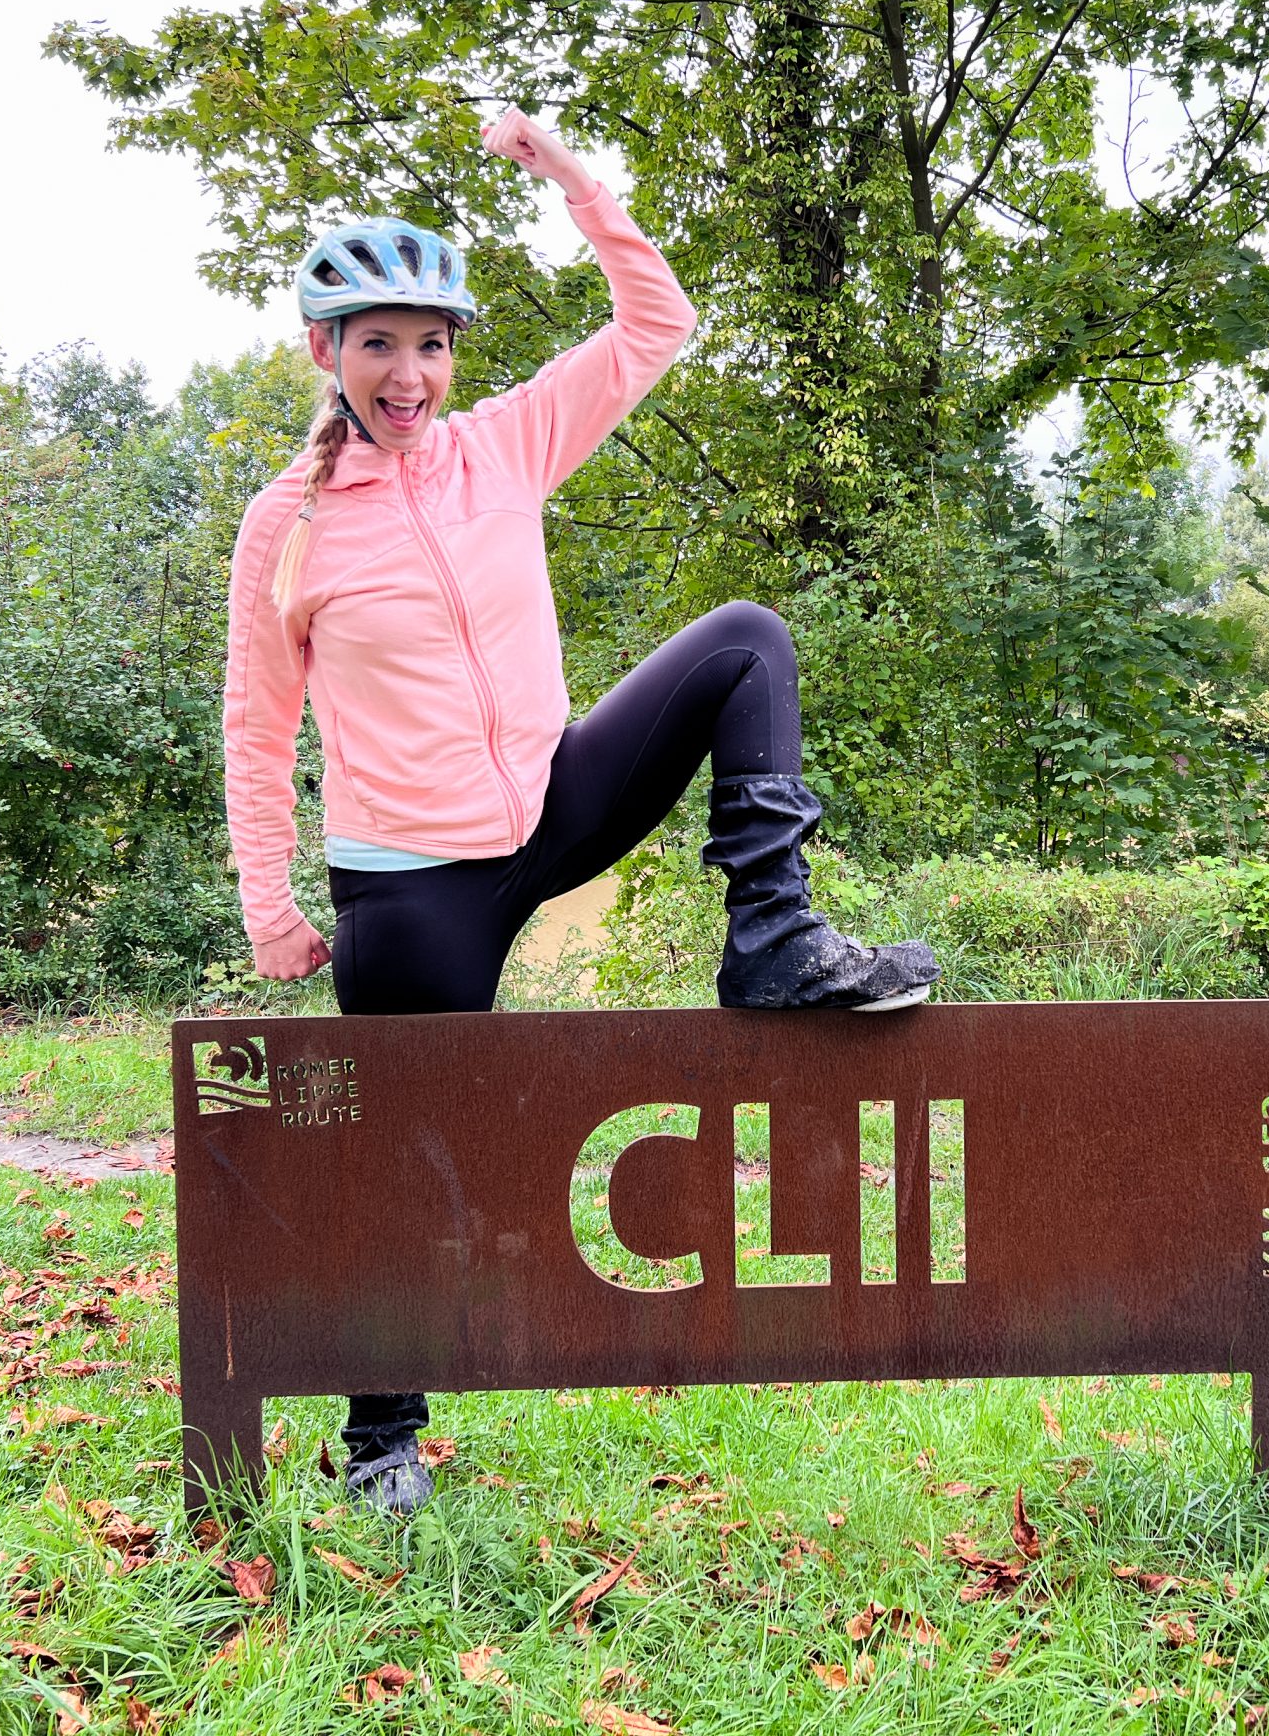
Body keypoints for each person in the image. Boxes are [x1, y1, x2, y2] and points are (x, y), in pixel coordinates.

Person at [222, 109, 939, 1514]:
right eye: (377, 342)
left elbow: (657, 321)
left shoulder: (505, 448)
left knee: (746, 640)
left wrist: (567, 179)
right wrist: (271, 900)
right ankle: (384, 1439)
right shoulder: (289, 524)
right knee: (416, 1162)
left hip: (550, 801)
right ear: (327, 353)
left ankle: (775, 940)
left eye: (431, 342)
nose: (409, 372)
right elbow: (258, 727)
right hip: (408, 879)